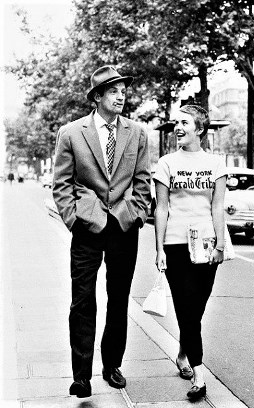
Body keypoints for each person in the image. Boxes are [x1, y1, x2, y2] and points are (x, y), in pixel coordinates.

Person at [53, 65, 151, 398]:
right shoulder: (71, 133)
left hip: (123, 226)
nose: (122, 95)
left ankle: (112, 366)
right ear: (97, 97)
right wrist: (73, 218)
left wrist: (135, 214)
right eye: (114, 91)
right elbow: (62, 183)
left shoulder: (137, 133)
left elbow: (142, 180)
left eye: (124, 90)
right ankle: (81, 375)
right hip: (87, 226)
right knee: (82, 301)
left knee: (119, 299)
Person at [153, 104, 227, 402]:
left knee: (196, 307)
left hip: (206, 244)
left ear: (200, 129)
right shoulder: (166, 163)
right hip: (174, 243)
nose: (178, 128)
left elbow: (217, 206)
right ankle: (198, 374)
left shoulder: (216, 164)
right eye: (176, 123)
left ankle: (183, 353)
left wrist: (221, 245)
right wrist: (158, 248)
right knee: (186, 307)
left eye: (184, 123)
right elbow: (161, 208)